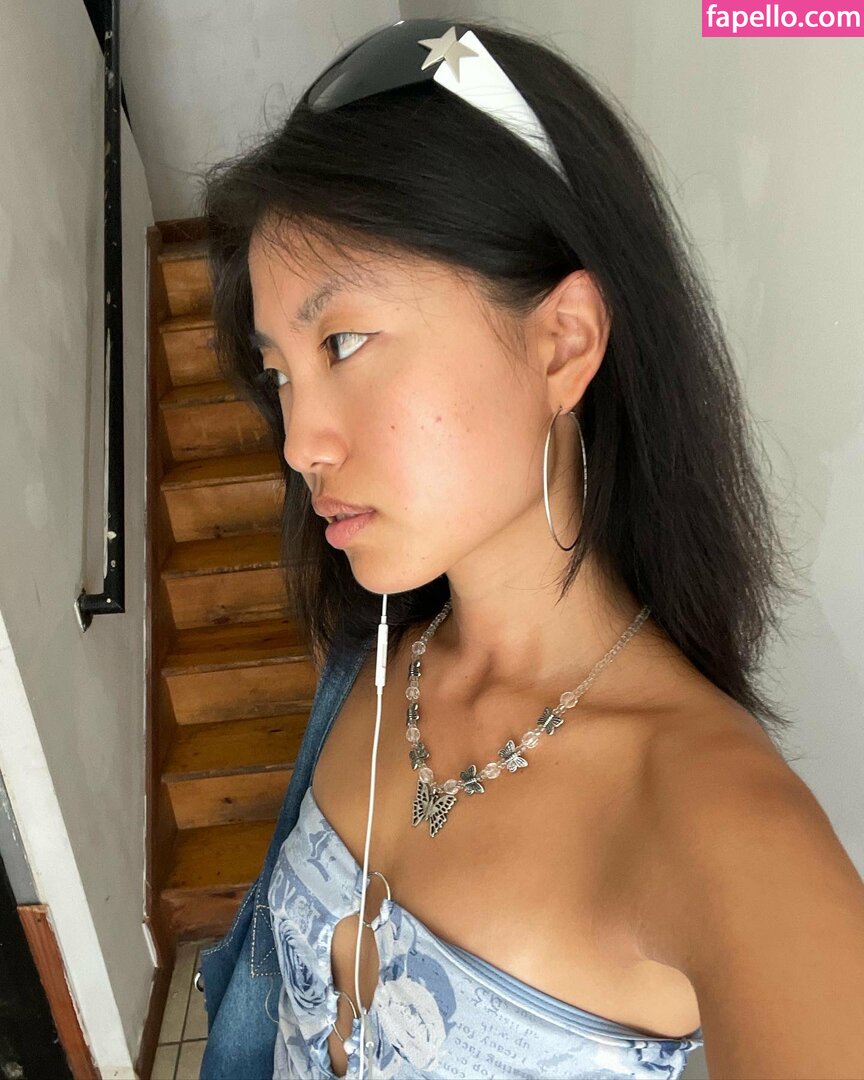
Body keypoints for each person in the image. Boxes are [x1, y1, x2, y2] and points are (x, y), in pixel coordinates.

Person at [195, 16, 864, 1080]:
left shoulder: (715, 818)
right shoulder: (375, 661)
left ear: (563, 343)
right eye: (281, 373)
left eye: (345, 341)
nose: (299, 443)